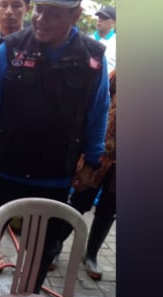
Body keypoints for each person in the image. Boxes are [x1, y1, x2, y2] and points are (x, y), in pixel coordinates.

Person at [0, 0, 110, 297]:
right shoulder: (10, 49)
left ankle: (27, 293)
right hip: (1, 166)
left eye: (53, 12)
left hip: (54, 175)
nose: (41, 18)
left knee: (44, 243)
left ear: (74, 15)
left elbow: (98, 112)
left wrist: (92, 160)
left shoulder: (93, 59)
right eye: (38, 9)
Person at [67, 69, 116, 280]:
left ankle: (92, 254)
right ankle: (55, 247)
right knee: (80, 200)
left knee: (109, 209)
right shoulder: (116, 77)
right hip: (101, 153)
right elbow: (98, 108)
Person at [92, 5, 116, 71]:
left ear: (113, 22)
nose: (99, 20)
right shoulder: (88, 40)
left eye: (104, 18)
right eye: (99, 17)